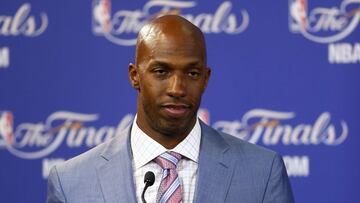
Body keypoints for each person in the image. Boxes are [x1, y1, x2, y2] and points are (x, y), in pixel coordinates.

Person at [47, 15, 294, 203]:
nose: (177, 88)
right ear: (135, 76)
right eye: (161, 71)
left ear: (206, 79)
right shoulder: (71, 182)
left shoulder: (262, 172)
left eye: (192, 73)